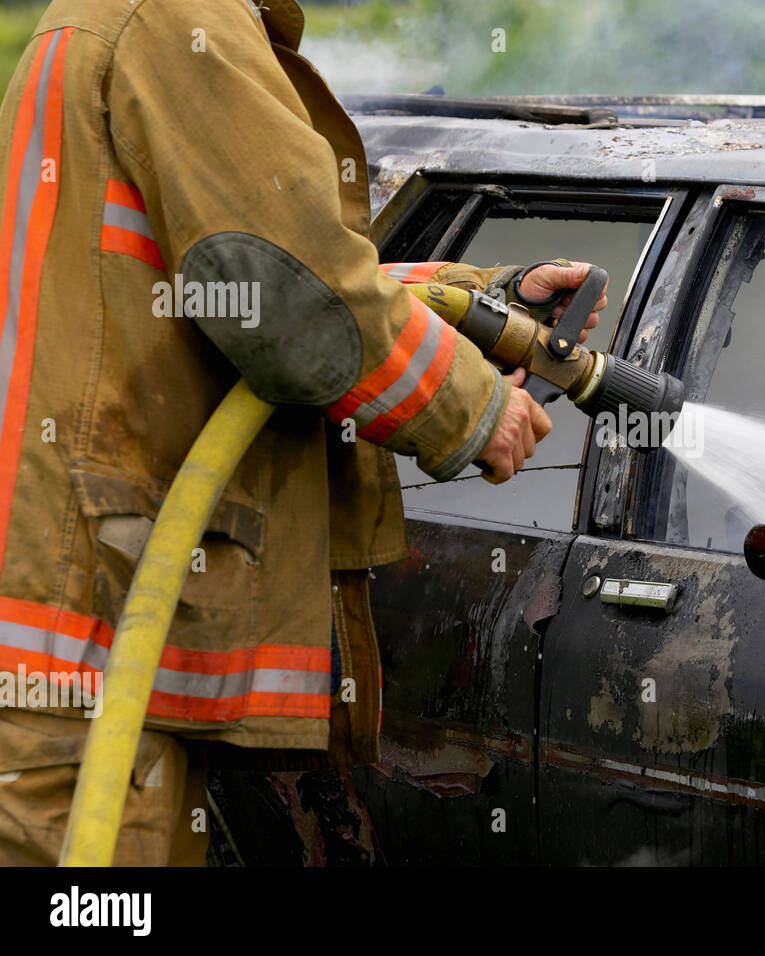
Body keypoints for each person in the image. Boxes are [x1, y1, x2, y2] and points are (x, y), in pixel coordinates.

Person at [0, 0, 605, 865]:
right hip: (91, 649)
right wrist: (474, 408)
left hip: (77, 628)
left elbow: (239, 275)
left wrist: (484, 302)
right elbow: (288, 292)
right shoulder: (176, 18)